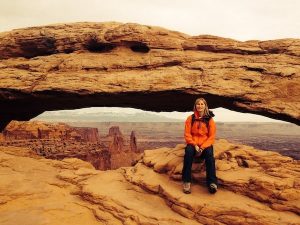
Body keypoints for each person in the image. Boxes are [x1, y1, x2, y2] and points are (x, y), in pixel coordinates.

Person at [182, 97, 218, 194]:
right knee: (188, 153)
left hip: (204, 145)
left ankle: (212, 183)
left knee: (210, 155)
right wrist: (194, 145)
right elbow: (187, 134)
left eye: (202, 104)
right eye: (198, 104)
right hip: (193, 144)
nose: (200, 106)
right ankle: (186, 181)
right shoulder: (190, 118)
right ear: (195, 106)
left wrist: (202, 147)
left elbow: (211, 137)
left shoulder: (209, 120)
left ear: (205, 106)